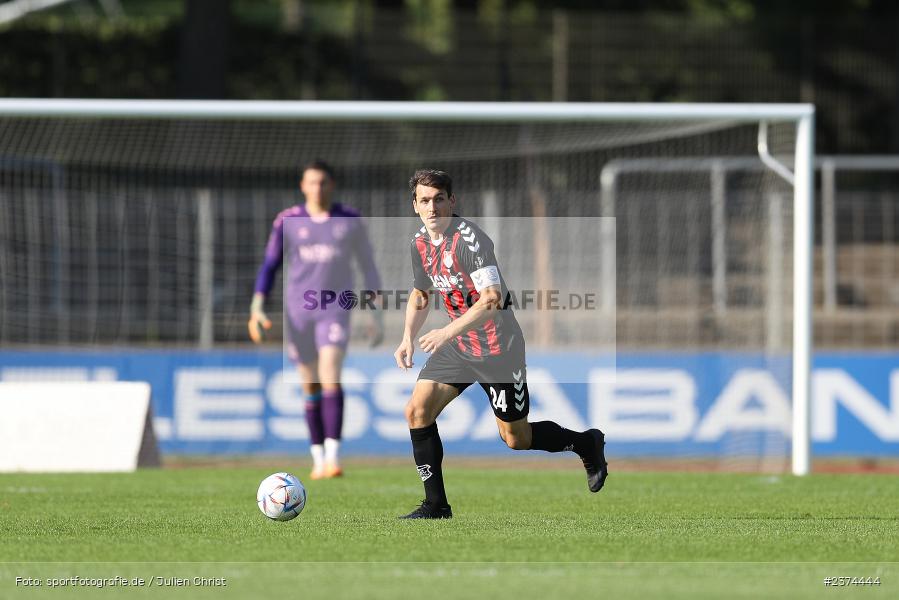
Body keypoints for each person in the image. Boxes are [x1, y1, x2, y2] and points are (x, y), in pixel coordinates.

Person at [393, 169, 608, 519]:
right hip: (460, 346)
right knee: (417, 411)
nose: (432, 208)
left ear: (452, 201)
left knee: (516, 439)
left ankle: (585, 442)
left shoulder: (470, 240)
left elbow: (492, 298)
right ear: (415, 205)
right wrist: (407, 337)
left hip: (498, 350)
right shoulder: (419, 243)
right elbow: (421, 292)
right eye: (424, 201)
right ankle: (436, 505)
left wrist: (446, 332)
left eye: (439, 199)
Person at [250, 159, 382, 480]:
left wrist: (375, 313)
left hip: (335, 307)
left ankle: (334, 457)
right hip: (299, 312)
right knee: (310, 383)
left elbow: (368, 266)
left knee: (330, 374)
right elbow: (270, 266)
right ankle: (318, 458)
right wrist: (257, 307)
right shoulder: (288, 220)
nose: (317, 188)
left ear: (332, 184)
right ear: (302, 186)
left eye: (323, 182)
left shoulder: (349, 219)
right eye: (311, 182)